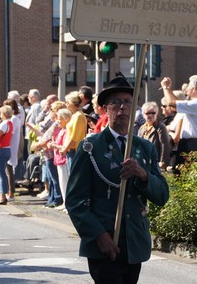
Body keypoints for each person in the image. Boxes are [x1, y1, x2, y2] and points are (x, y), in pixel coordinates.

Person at [66, 76, 169, 284]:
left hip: (133, 243)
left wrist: (143, 175)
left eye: (128, 102)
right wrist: (98, 235)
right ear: (105, 109)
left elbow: (162, 195)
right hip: (104, 243)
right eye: (116, 102)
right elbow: (75, 201)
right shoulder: (90, 147)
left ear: (134, 108)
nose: (122, 107)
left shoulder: (144, 148)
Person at [161, 75, 197, 171]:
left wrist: (165, 87)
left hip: (192, 145)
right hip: (192, 143)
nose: (186, 89)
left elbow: (171, 103)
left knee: (186, 177)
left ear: (194, 89)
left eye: (189, 86)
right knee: (182, 175)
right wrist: (169, 89)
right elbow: (176, 104)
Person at [47, 108, 73, 211]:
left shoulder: (67, 130)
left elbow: (64, 145)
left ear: (66, 119)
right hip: (58, 158)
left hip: (63, 158)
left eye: (60, 118)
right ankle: (64, 202)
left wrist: (54, 145)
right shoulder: (62, 130)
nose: (58, 121)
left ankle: (67, 203)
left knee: (65, 182)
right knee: (62, 182)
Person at [138, 101, 171, 170]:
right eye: (147, 113)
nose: (150, 115)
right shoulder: (142, 128)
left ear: (157, 113)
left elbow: (165, 145)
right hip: (144, 162)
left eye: (153, 113)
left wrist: (163, 162)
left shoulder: (161, 127)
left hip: (156, 163)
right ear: (143, 114)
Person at [62, 91, 87, 170]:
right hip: (71, 150)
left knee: (74, 176)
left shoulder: (79, 116)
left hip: (74, 150)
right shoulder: (75, 115)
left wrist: (64, 150)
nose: (66, 104)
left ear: (73, 102)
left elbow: (74, 139)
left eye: (67, 102)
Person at [2, 99, 22, 202]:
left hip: (10, 146)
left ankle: (11, 193)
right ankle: (10, 192)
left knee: (9, 171)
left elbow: (10, 132)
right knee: (8, 170)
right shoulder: (15, 118)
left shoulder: (14, 119)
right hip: (11, 145)